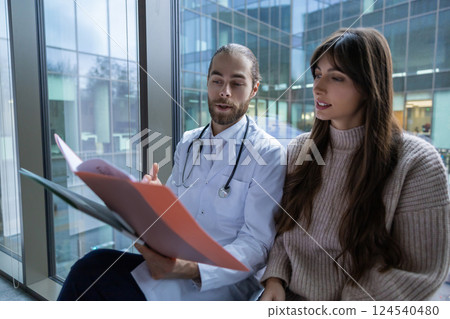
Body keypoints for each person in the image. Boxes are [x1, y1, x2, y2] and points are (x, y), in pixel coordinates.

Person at [58, 43, 286, 301]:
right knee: (90, 268)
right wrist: (151, 200)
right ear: (207, 83)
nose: (224, 92)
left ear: (254, 89)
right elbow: (174, 213)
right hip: (168, 268)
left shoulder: (268, 153)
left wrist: (191, 269)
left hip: (220, 286)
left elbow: (256, 244)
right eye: (217, 81)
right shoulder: (189, 143)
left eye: (237, 83)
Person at [260, 28, 450, 301]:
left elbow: (419, 272)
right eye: (317, 74)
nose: (318, 86)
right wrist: (274, 278)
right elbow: (283, 228)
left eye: (336, 77)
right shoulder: (302, 149)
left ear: (369, 86)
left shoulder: (417, 162)